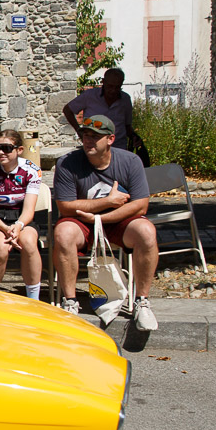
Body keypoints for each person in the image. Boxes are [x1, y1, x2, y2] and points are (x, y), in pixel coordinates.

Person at [51, 114, 159, 330]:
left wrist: (101, 217)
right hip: (82, 224)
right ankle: (70, 301)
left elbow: (140, 205)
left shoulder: (130, 161)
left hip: (119, 223)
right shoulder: (67, 163)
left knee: (146, 231)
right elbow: (65, 206)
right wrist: (108, 202)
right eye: (85, 135)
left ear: (110, 139)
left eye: (95, 136)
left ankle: (142, 302)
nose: (88, 140)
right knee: (62, 234)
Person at [0, 130, 43, 299]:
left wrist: (18, 226)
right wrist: (6, 229)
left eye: (6, 148)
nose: (0, 153)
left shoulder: (32, 171)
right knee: (1, 247)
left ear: (19, 150)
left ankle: (33, 299)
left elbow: (29, 210)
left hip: (20, 217)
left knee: (28, 242)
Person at [65, 67, 147, 159]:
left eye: (117, 87)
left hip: (118, 150)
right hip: (94, 149)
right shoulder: (90, 96)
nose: (113, 90)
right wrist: (79, 131)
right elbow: (68, 110)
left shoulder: (125, 99)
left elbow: (127, 126)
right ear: (103, 82)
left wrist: (134, 137)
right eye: (110, 86)